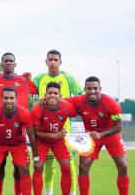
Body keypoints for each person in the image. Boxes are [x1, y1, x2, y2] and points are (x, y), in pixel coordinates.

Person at [0, 52, 38, 194]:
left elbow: (42, 90)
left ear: (15, 63)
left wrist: (36, 157)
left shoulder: (24, 81)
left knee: (21, 170)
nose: (8, 63)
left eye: (11, 61)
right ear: (1, 64)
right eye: (5, 61)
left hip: (18, 136)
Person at [67, 76, 129, 195]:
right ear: (84, 89)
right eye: (89, 88)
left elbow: (118, 127)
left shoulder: (112, 104)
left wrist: (101, 134)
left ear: (100, 89)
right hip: (91, 136)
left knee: (123, 166)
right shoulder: (78, 100)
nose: (92, 91)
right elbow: (62, 102)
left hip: (111, 134)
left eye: (95, 88)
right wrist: (45, 100)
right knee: (83, 166)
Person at [32, 50, 83, 195]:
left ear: (60, 62)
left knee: (69, 163)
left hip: (64, 127)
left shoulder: (68, 78)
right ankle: (49, 192)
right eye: (50, 59)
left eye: (56, 60)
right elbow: (25, 87)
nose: (53, 62)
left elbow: (80, 95)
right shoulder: (39, 78)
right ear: (46, 61)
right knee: (47, 163)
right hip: (44, 126)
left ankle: (72, 192)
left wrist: (67, 105)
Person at [30, 82, 77, 195]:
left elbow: (79, 110)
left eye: (55, 93)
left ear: (60, 96)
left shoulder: (66, 107)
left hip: (58, 141)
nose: (52, 95)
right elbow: (34, 133)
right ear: (45, 95)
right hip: (41, 141)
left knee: (66, 166)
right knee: (38, 167)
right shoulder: (37, 108)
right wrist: (51, 135)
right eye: (50, 93)